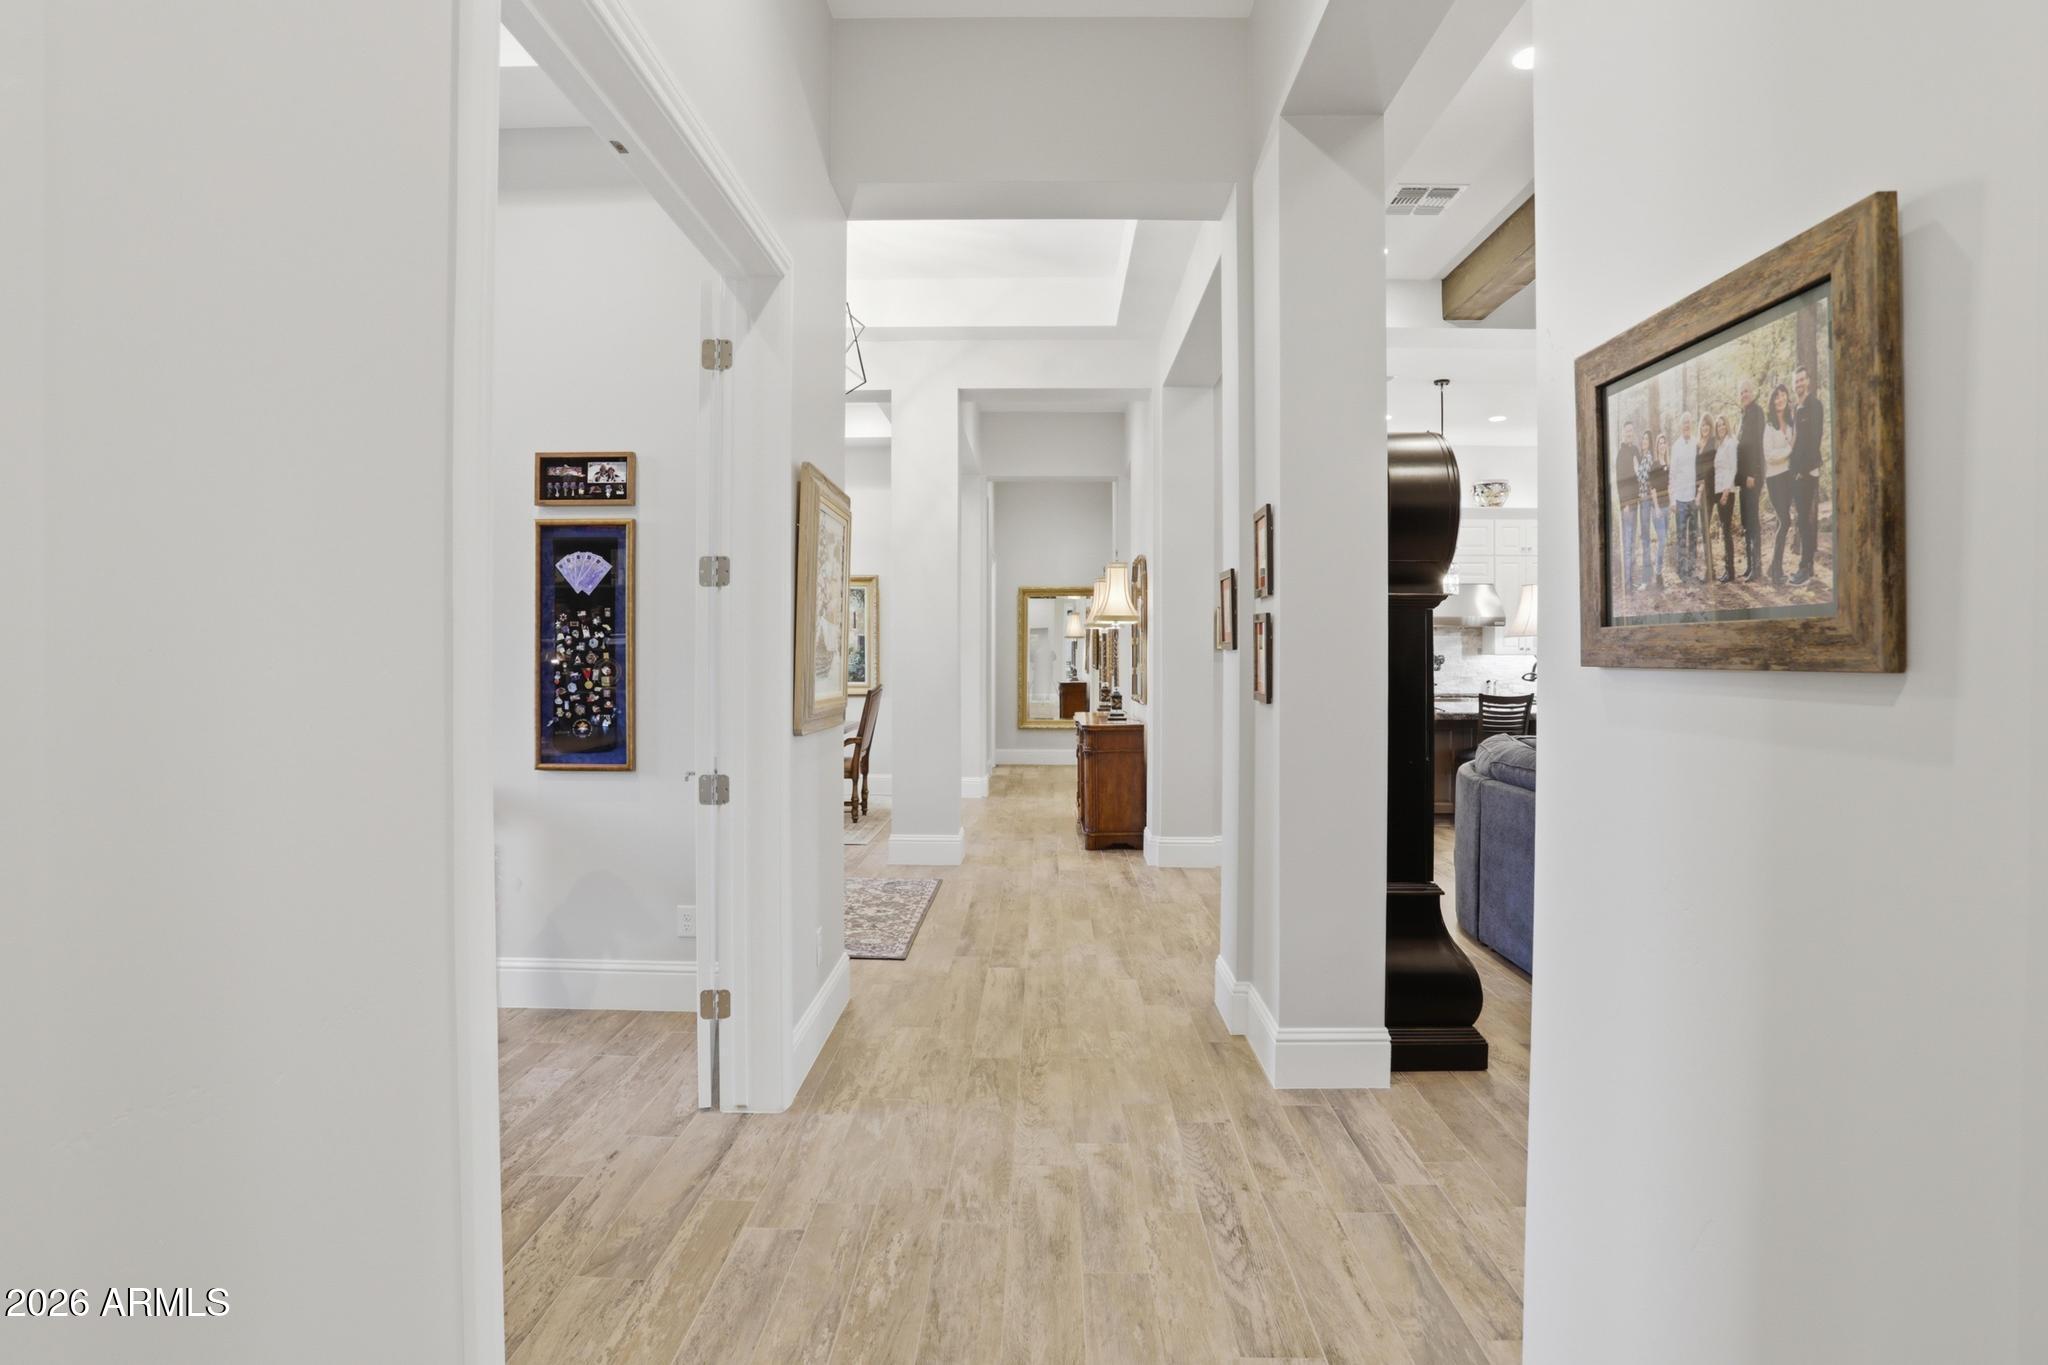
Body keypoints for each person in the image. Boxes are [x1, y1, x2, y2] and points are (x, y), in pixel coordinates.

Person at [1788, 364, 1825, 584]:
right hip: (1796, 474)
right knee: (1802, 520)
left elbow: (1814, 440)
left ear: (1808, 381)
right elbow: (1795, 442)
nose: (1799, 384)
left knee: (1805, 520)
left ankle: (1806, 566)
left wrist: (1802, 471)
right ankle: (1806, 567)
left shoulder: (1815, 406)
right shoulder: (1796, 408)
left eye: (1802, 380)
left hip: (1807, 473)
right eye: (1796, 381)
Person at [1763, 382, 1797, 584]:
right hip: (1774, 479)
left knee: (1781, 522)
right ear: (1772, 401)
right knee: (1785, 521)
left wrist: (1789, 453)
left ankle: (1774, 569)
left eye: (1783, 395)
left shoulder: (1792, 424)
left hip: (1788, 477)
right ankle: (1776, 569)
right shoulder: (1768, 426)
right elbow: (1769, 455)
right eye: (1776, 396)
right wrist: (1789, 451)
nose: (1780, 399)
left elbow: (1793, 447)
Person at [1735, 379, 1766, 581]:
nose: (1744, 394)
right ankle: (1749, 566)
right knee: (1746, 521)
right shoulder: (1743, 416)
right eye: (1741, 392)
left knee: (1753, 521)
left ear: (1752, 393)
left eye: (1747, 391)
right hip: (1743, 479)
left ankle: (1757, 568)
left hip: (1752, 477)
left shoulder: (1756, 412)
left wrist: (1753, 474)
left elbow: (1756, 445)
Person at [1668, 413, 1702, 582]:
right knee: (1681, 537)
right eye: (1684, 423)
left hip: (1693, 498)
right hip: (1680, 499)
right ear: (1680, 426)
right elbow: (1672, 475)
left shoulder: (1697, 443)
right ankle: (1682, 572)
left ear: (1692, 424)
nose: (1686, 425)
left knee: (1694, 536)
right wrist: (1672, 499)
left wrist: (1699, 494)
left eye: (1688, 422)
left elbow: (1701, 469)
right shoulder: (1676, 446)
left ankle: (1692, 569)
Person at [1615, 419, 1645, 590]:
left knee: (1632, 542)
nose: (1629, 434)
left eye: (1631, 431)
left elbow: (1640, 473)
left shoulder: (1635, 450)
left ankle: (1630, 579)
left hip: (1636, 503)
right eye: (1626, 431)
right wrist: (1624, 504)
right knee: (1627, 543)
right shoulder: (1621, 453)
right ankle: (1627, 584)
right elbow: (1620, 482)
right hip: (1627, 506)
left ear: (1633, 433)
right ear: (1623, 433)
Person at [1711, 412, 1740, 582]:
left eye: (1723, 424)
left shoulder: (1730, 443)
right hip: (1718, 490)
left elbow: (1732, 468)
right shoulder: (1720, 444)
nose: (1721, 427)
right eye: (1718, 425)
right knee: (1724, 529)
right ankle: (1728, 570)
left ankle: (1730, 571)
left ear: (1727, 425)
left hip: (1726, 492)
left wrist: (1726, 492)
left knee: (1727, 531)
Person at [1644, 430, 1671, 588]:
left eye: (1664, 442)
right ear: (1657, 446)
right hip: (1658, 509)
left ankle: (1659, 572)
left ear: (1666, 446)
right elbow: (1652, 488)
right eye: (1660, 443)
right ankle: (1658, 574)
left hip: (1667, 506)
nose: (1662, 445)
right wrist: (1656, 507)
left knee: (1664, 541)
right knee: (1662, 540)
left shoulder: (1667, 464)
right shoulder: (1654, 465)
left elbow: (1669, 486)